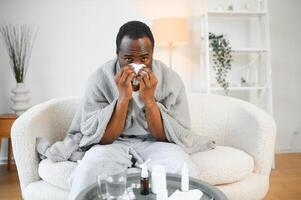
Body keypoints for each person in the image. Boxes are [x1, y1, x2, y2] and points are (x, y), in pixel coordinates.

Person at [61, 21, 215, 199]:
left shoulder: (170, 79)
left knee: (181, 169)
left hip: (157, 143)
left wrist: (149, 101)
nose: (137, 65)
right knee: (87, 172)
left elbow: (168, 136)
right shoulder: (99, 78)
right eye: (128, 59)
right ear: (117, 54)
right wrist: (123, 99)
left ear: (152, 54)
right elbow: (103, 138)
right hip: (113, 143)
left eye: (144, 58)